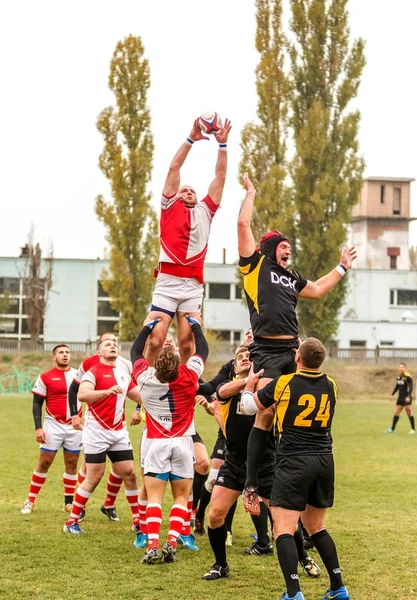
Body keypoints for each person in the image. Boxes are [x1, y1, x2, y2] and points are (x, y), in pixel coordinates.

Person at [237, 173, 357, 513]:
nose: (288, 250)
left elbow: (317, 290)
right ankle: (250, 485)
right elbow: (243, 223)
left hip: (293, 350)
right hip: (267, 352)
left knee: (297, 412)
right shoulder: (255, 266)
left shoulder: (291, 277)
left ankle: (292, 474)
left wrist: (342, 267)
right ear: (269, 248)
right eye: (283, 246)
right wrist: (251, 192)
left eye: (290, 247)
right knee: (262, 412)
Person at [240, 337, 349, 600]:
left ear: (296, 358)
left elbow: (247, 407)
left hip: (293, 461)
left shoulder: (284, 383)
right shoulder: (332, 384)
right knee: (316, 526)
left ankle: (293, 592)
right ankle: (338, 587)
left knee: (283, 529)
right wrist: (304, 348)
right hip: (324, 460)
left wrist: (249, 386)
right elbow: (310, 366)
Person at [144, 117, 232, 365]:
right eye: (184, 190)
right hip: (168, 282)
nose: (188, 191)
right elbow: (174, 167)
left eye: (192, 190)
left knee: (186, 343)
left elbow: (221, 176)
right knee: (156, 340)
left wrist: (222, 145)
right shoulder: (169, 206)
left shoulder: (206, 210)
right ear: (175, 195)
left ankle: (185, 391)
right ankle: (143, 384)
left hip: (192, 285)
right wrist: (191, 137)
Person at [130, 316, 209, 564]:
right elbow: (202, 349)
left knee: (154, 497)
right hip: (183, 442)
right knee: (180, 497)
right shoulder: (189, 375)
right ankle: (172, 542)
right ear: (177, 363)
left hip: (156, 441)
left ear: (155, 364)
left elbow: (135, 351)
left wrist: (147, 326)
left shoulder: (146, 378)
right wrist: (195, 325)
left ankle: (152, 545)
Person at [201, 346, 275, 581]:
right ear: (233, 368)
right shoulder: (229, 388)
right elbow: (220, 391)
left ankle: (301, 557)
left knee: (283, 521)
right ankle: (221, 564)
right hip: (234, 463)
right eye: (239, 358)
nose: (244, 359)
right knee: (214, 515)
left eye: (249, 357)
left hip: (265, 464)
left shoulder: (267, 391)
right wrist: (247, 382)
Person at [63, 336, 141, 534]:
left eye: (115, 344)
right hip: (96, 431)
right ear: (99, 352)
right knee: (94, 477)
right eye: (107, 344)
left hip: (119, 431)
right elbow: (82, 395)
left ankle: (138, 520)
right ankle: (72, 521)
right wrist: (106, 392)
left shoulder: (123, 373)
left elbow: (139, 395)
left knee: (130, 474)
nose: (112, 346)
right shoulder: (93, 372)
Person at [21, 344, 81, 515]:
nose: (65, 355)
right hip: (52, 425)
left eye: (67, 352)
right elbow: (36, 403)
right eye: (61, 353)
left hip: (74, 427)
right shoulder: (45, 377)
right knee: (44, 462)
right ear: (53, 357)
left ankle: (68, 503)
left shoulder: (79, 375)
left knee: (71, 463)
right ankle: (30, 500)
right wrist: (38, 428)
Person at [386, 362, 415, 434]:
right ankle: (392, 429)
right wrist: (392, 394)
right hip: (400, 398)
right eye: (400, 367)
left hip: (406, 398)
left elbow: (411, 388)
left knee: (409, 413)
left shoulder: (408, 377)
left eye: (402, 367)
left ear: (405, 368)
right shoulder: (399, 377)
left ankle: (413, 429)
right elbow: (397, 386)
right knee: (396, 413)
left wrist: (408, 396)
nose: (401, 368)